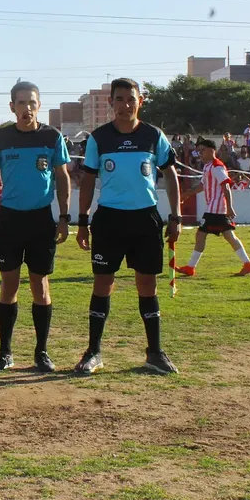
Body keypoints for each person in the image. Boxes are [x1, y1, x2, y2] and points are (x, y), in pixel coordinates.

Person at [75, 78, 181, 376]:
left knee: (147, 285)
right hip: (109, 220)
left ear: (140, 101)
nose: (125, 105)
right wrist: (82, 221)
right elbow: (87, 181)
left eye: (130, 99)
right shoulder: (99, 138)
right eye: (119, 99)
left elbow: (170, 175)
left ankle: (155, 353)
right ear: (111, 103)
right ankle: (94, 351)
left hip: (145, 219)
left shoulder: (153, 136)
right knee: (103, 283)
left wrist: (176, 216)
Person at [0, 80, 71, 373]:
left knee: (40, 286)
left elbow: (63, 177)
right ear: (12, 106)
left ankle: (41, 352)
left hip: (41, 220)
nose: (27, 108)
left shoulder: (52, 136)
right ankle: (5, 352)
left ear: (38, 105)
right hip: (9, 220)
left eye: (32, 103)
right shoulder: (1, 138)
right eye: (21, 103)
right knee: (9, 286)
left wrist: (64, 216)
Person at [177, 139, 250, 278]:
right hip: (216, 208)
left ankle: (190, 267)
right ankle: (248, 264)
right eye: (199, 151)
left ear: (212, 150)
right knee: (229, 236)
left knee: (201, 235)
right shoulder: (208, 167)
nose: (200, 153)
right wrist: (187, 195)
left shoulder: (217, 167)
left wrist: (230, 207)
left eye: (202, 150)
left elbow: (226, 186)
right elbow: (202, 186)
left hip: (216, 209)